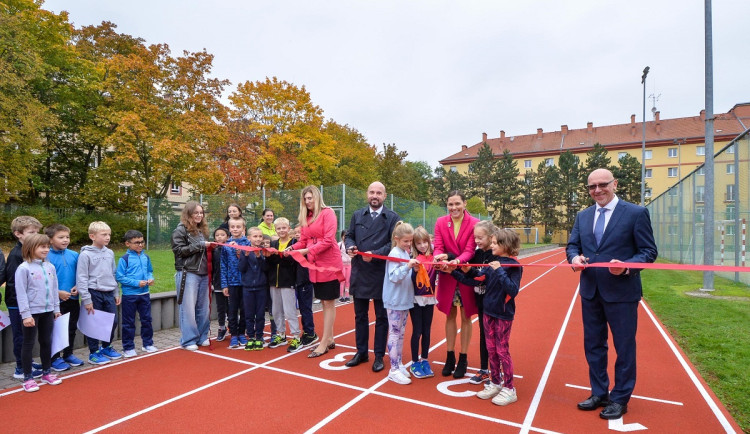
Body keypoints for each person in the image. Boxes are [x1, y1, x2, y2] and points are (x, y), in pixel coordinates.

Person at [566, 168, 657, 420]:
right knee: (594, 345)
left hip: (622, 293)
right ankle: (599, 393)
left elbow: (648, 252)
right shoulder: (583, 216)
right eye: (591, 187)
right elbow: (573, 245)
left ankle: (620, 398)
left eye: (602, 185)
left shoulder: (636, 213)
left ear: (614, 184)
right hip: (590, 292)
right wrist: (574, 257)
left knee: (624, 347)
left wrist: (627, 266)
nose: (597, 190)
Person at [453, 228, 523, 406]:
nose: (491, 246)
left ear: (505, 245)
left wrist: (499, 271)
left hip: (503, 314)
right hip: (488, 311)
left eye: (494, 243)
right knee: (491, 349)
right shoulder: (495, 263)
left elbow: (513, 290)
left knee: (502, 350)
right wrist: (457, 271)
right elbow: (478, 278)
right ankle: (496, 382)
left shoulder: (515, 266)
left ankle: (509, 388)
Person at [344, 181, 400, 372]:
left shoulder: (393, 217)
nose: (374, 196)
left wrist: (374, 254)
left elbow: (395, 244)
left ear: (384, 196)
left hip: (380, 272)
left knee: (381, 317)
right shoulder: (357, 214)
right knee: (360, 315)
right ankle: (361, 352)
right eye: (371, 192)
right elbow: (349, 235)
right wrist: (350, 247)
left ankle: (378, 355)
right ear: (367, 194)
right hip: (360, 270)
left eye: (378, 193)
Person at [290, 185, 343, 358]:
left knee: (328, 302)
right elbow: (304, 241)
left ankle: (325, 341)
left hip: (328, 263)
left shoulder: (328, 213)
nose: (307, 201)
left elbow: (328, 240)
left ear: (317, 197)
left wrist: (306, 251)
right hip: (315, 264)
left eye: (310, 198)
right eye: (305, 199)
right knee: (323, 301)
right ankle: (330, 338)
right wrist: (291, 247)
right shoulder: (307, 217)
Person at [433, 191, 480, 378]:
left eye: (457, 204)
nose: (454, 208)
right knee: (450, 315)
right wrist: (439, 257)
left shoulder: (475, 223)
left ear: (464, 203)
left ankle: (463, 357)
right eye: (450, 204)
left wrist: (456, 263)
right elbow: (438, 245)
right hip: (447, 276)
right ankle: (450, 356)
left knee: (466, 316)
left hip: (465, 274)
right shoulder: (440, 222)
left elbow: (470, 250)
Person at [14, 234, 63, 392]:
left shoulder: (50, 267)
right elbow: (21, 293)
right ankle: (27, 377)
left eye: (47, 246)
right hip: (32, 313)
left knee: (46, 342)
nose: (46, 249)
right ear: (30, 248)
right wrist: (26, 314)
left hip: (47, 311)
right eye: (42, 247)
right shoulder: (24, 268)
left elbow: (54, 290)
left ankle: (46, 372)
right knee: (28, 343)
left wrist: (56, 309)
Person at [77, 221, 122, 364]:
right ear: (92, 236)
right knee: (94, 323)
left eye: (109, 234)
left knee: (112, 321)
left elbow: (113, 273)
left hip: (109, 292)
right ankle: (93, 352)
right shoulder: (85, 255)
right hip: (93, 293)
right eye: (104, 235)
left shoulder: (109, 252)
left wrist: (116, 292)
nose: (108, 237)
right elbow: (82, 277)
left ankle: (106, 347)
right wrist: (86, 299)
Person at [5, 216, 44, 380]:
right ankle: (21, 367)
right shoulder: (16, 255)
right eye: (31, 232)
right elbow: (15, 284)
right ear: (18, 234)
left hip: (30, 303)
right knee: (21, 336)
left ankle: (26, 361)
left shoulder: (31, 251)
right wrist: (23, 306)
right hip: (18, 304)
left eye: (37, 232)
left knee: (28, 335)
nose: (36, 235)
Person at [171, 201, 211, 351]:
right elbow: (178, 251)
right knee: (188, 308)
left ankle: (202, 336)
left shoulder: (203, 231)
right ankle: (188, 339)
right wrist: (200, 245)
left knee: (203, 308)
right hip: (188, 272)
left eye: (201, 213)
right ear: (188, 214)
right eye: (196, 213)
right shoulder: (180, 231)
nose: (199, 215)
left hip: (204, 273)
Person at [383, 222, 419, 384]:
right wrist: (407, 267)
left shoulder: (405, 253)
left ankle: (399, 363)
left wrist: (413, 268)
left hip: (404, 299)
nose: (409, 244)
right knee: (395, 332)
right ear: (397, 239)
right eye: (406, 241)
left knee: (401, 333)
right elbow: (394, 277)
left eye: (410, 241)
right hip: (395, 300)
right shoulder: (394, 253)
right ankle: (393, 369)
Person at [45, 224, 84, 371]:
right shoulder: (45, 256)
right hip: (55, 302)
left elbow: (81, 275)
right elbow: (44, 281)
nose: (65, 240)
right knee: (55, 330)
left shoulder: (74, 255)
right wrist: (58, 292)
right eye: (61, 237)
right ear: (50, 240)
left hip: (73, 300)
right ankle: (54, 357)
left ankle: (68, 354)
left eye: (67, 237)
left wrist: (78, 286)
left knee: (71, 328)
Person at [466, 220, 500, 385]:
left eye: (480, 237)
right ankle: (484, 370)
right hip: (480, 301)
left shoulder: (496, 255)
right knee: (483, 335)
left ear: (491, 236)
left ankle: (496, 371)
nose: (477, 241)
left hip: (494, 302)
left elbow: (485, 277)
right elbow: (470, 274)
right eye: (475, 238)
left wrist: (472, 272)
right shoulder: (477, 254)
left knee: (496, 337)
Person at [116, 230, 157, 358]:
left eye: (142, 242)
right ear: (127, 243)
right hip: (130, 295)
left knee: (146, 320)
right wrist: (136, 283)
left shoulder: (146, 257)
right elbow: (119, 277)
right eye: (136, 243)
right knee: (128, 322)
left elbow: (150, 271)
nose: (140, 245)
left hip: (144, 294)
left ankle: (148, 344)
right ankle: (128, 347)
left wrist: (150, 279)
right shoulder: (124, 259)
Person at [266, 217, 303, 352]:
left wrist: (277, 257)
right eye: (279, 228)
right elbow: (271, 262)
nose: (281, 230)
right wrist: (271, 256)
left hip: (287, 282)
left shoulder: (293, 243)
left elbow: (291, 261)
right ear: (275, 230)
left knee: (289, 311)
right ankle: (281, 334)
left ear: (289, 229)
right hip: (273, 282)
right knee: (276, 310)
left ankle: (296, 336)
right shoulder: (274, 243)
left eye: (284, 228)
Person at [408, 226, 438, 379]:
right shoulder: (413, 260)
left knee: (427, 331)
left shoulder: (434, 258)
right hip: (416, 300)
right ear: (414, 245)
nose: (423, 246)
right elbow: (410, 281)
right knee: (417, 331)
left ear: (429, 241)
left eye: (425, 242)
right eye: (419, 243)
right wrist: (413, 271)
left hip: (430, 299)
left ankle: (425, 359)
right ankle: (414, 362)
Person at [221, 217, 250, 349]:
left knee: (244, 309)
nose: (235, 229)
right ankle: (233, 334)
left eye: (238, 227)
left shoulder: (248, 244)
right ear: (229, 228)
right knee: (232, 310)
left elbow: (250, 262)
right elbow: (223, 266)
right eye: (232, 227)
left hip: (245, 283)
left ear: (243, 228)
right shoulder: (225, 246)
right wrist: (224, 284)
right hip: (232, 283)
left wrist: (240, 251)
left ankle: (242, 333)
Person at [240, 227, 268, 351]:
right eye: (255, 236)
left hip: (261, 288)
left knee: (260, 314)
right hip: (248, 288)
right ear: (249, 238)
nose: (258, 239)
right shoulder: (244, 251)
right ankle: (251, 336)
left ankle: (260, 336)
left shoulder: (264, 251)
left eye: (260, 236)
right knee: (249, 314)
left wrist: (259, 257)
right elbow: (241, 268)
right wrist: (246, 256)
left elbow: (266, 268)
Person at [293, 223, 319, 349]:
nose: (298, 234)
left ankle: (310, 332)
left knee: (305, 308)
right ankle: (306, 331)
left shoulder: (309, 247)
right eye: (296, 232)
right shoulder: (293, 245)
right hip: (296, 281)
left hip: (306, 281)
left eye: (300, 232)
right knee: (301, 309)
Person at [211, 227, 229, 341]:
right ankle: (222, 328)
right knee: (220, 307)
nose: (220, 237)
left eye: (222, 235)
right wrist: (212, 281)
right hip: (218, 283)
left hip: (230, 283)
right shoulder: (214, 251)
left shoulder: (231, 249)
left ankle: (234, 326)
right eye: (217, 235)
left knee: (231, 307)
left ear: (227, 237)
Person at [338, 230, 351, 302]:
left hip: (349, 265)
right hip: (341, 265)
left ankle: (347, 295)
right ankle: (341, 296)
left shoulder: (350, 245)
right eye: (344, 236)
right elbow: (336, 254)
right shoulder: (339, 245)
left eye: (346, 236)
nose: (345, 237)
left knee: (347, 281)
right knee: (342, 281)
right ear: (341, 236)